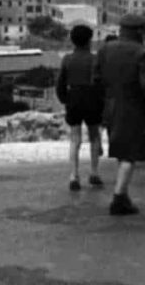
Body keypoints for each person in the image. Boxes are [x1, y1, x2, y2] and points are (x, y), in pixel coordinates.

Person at [95, 14, 145, 215]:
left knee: (121, 148)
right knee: (130, 152)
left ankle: (123, 193)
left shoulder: (105, 49)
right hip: (133, 106)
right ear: (139, 31)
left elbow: (95, 79)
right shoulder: (142, 53)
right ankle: (119, 196)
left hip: (110, 105)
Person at [55, 25, 104, 191]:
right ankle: (94, 173)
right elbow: (100, 82)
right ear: (89, 40)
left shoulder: (67, 59)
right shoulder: (95, 59)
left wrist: (64, 99)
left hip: (74, 98)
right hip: (92, 98)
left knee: (75, 139)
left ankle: (74, 175)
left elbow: (60, 83)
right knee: (94, 137)